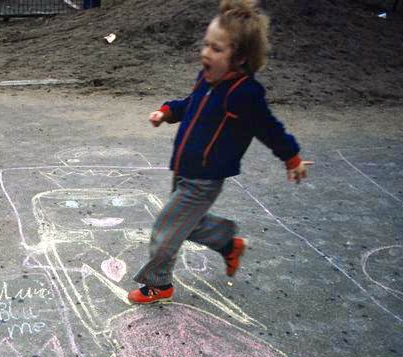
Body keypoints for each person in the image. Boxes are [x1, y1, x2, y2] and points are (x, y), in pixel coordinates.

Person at [128, 0, 312, 304]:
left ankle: (159, 285)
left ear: (239, 57)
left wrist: (291, 158)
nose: (205, 53)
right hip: (184, 169)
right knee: (187, 224)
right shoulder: (207, 80)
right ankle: (228, 243)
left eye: (216, 49)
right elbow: (190, 105)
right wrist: (167, 112)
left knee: (165, 230)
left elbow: (269, 128)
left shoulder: (244, 94)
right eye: (206, 45)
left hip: (204, 179)